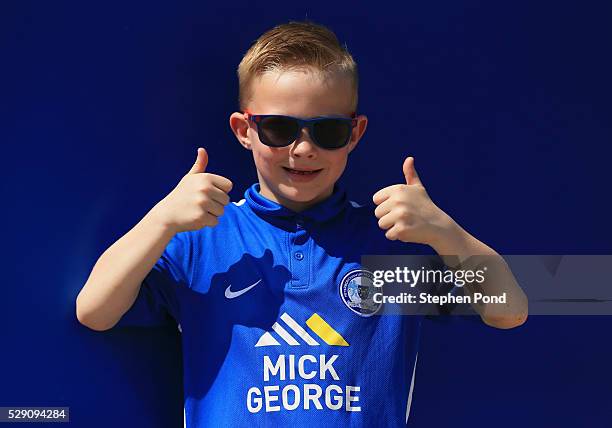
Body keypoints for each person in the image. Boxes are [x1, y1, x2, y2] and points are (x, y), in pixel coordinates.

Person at [76, 21, 528, 427]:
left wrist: (444, 231)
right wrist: (161, 220)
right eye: (278, 128)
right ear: (243, 129)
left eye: (327, 131)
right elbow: (94, 311)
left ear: (355, 133)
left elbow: (509, 310)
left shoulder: (390, 243)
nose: (303, 149)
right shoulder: (201, 238)